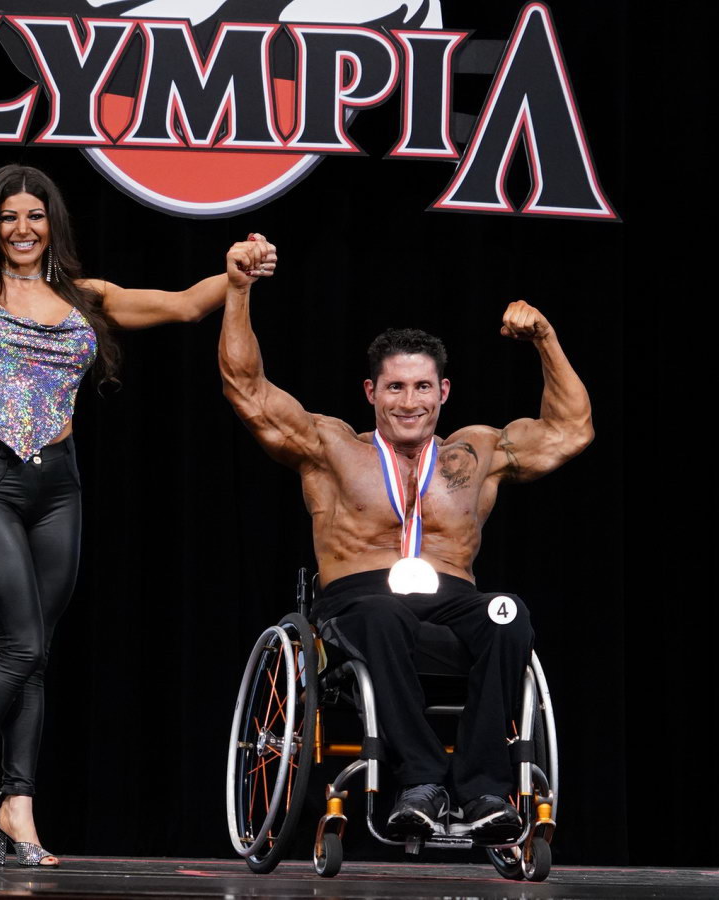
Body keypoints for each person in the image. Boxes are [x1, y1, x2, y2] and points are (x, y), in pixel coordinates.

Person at [0, 164, 276, 866]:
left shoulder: (84, 296)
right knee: (21, 646)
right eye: (9, 216)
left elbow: (184, 306)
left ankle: (18, 804)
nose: (23, 229)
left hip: (59, 487)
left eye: (35, 216)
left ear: (53, 225)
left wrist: (236, 271)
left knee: (36, 650)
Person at [218, 262, 591, 845]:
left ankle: (485, 791)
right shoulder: (333, 448)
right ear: (371, 392)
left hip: (451, 603)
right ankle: (421, 780)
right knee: (382, 613)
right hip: (358, 603)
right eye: (395, 387)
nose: (409, 401)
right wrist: (239, 291)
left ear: (444, 391)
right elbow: (248, 389)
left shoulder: (477, 452)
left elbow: (571, 430)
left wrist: (545, 338)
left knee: (509, 613)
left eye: (422, 387)